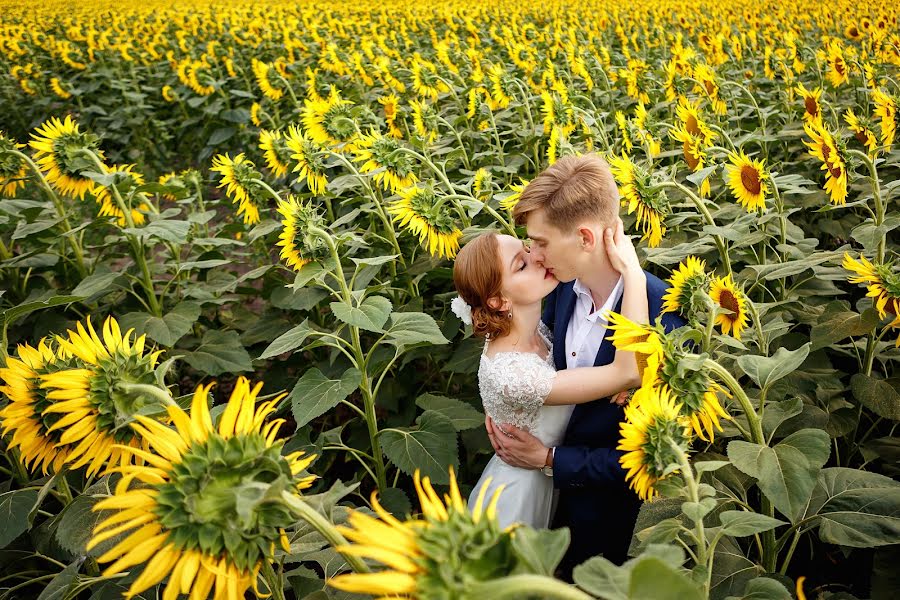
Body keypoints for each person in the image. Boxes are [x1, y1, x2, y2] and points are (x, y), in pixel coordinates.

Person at [484, 154, 686, 578]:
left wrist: (551, 459)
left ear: (585, 237)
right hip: (542, 517)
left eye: (540, 241)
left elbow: (659, 458)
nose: (533, 254)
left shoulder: (664, 317)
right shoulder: (553, 292)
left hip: (610, 533)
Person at [451, 216, 646, 531]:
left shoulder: (532, 328)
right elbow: (627, 371)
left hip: (551, 486)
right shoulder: (513, 374)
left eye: (528, 248)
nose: (537, 258)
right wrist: (633, 274)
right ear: (498, 301)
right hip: (517, 499)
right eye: (521, 265)